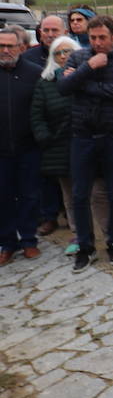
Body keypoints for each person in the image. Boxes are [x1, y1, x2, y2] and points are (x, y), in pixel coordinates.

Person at [58, 15, 113, 271]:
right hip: (82, 136)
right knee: (80, 194)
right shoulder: (80, 57)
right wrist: (89, 67)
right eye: (93, 38)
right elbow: (64, 87)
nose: (98, 42)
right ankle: (86, 246)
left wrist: (85, 84)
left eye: (103, 37)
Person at [30, 37, 77, 253]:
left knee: (95, 192)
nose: (63, 56)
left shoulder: (84, 78)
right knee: (69, 194)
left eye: (68, 51)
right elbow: (36, 115)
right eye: (58, 53)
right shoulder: (45, 82)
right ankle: (78, 234)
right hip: (58, 146)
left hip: (84, 142)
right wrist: (45, 138)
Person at [0, 26, 41, 264]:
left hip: (28, 148)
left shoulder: (34, 73)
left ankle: (28, 240)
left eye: (10, 46)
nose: (5, 50)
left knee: (29, 196)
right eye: (1, 46)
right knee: (2, 197)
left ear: (21, 47)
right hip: (1, 152)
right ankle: (7, 243)